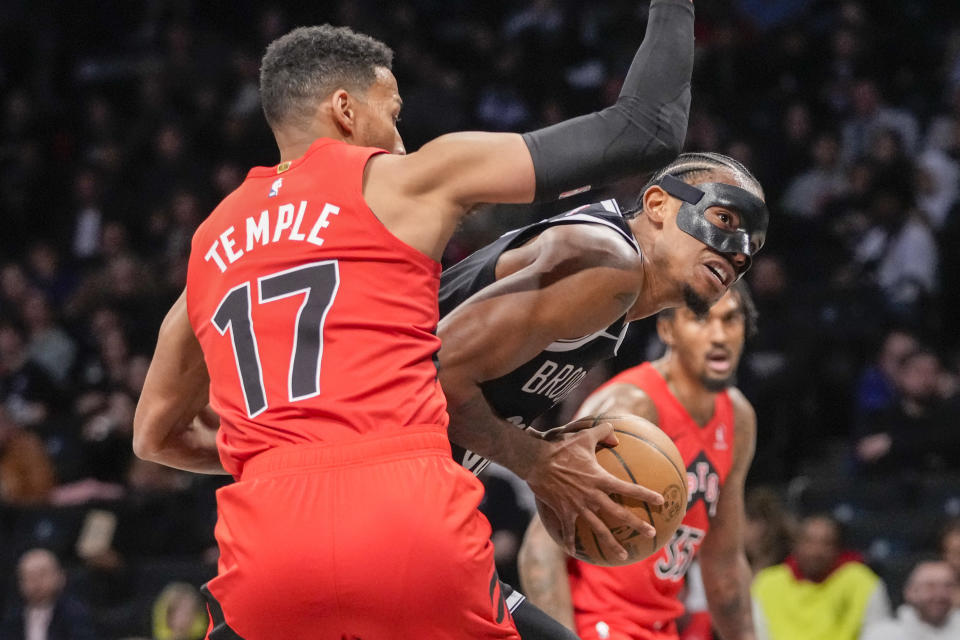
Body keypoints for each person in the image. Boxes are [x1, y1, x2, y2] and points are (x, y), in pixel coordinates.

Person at [132, 4, 696, 638]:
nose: (401, 139)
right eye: (393, 114)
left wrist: (280, 451)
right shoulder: (405, 180)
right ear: (346, 110)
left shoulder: (208, 244)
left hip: (267, 540)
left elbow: (154, 437)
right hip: (405, 514)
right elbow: (646, 129)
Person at [438, 152, 767, 639]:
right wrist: (538, 461)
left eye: (752, 247)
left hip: (424, 504)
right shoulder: (608, 262)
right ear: (656, 203)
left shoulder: (612, 303)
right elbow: (430, 372)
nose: (738, 251)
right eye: (724, 219)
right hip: (371, 486)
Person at [513, 284, 759, 640]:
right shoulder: (629, 407)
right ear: (667, 330)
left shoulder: (738, 419)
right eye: (701, 320)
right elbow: (540, 548)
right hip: (596, 622)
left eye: (731, 320)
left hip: (661, 625)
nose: (719, 335)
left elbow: (723, 564)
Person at [751, 514, 891, 640]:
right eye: (809, 542)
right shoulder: (767, 582)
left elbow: (878, 632)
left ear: (838, 549)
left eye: (826, 543)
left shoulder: (861, 582)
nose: (816, 551)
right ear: (795, 545)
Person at [0, 548, 98, 640]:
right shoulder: (13, 618)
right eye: (28, 577)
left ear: (60, 577)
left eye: (42, 575)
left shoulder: (75, 614)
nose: (35, 582)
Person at [861, 560, 959, 639]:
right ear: (910, 592)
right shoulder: (882, 635)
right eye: (930, 586)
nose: (940, 594)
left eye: (948, 586)